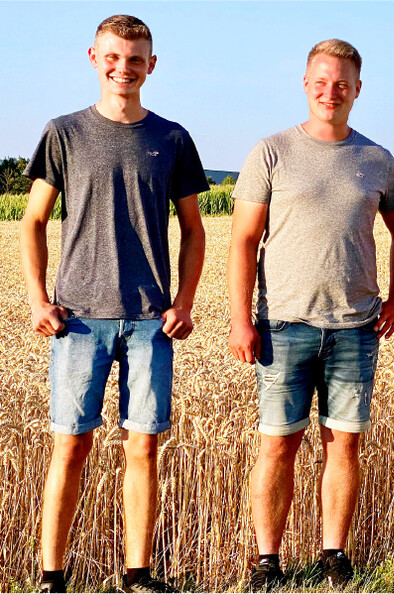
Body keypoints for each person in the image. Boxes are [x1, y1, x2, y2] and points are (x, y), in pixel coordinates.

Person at [19, 14, 207, 594]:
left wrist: (184, 300)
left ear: (152, 65)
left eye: (135, 58)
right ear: (94, 58)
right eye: (113, 56)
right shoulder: (64, 133)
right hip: (77, 322)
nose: (123, 67)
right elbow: (32, 220)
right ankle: (52, 577)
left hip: (151, 322)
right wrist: (38, 299)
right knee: (70, 447)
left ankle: (138, 575)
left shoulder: (172, 139)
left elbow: (194, 230)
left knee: (143, 448)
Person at [227, 38, 394, 591]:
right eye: (321, 81)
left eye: (342, 83)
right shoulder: (272, 151)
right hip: (283, 326)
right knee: (279, 443)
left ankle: (334, 554)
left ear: (358, 90)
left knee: (345, 442)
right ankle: (268, 559)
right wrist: (241, 319)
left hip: (355, 327)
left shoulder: (378, 160)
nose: (330, 91)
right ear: (305, 84)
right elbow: (242, 242)